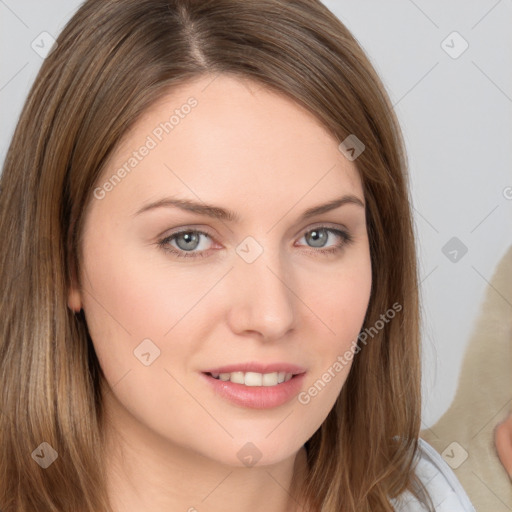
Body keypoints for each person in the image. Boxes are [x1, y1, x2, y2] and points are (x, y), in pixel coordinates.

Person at [0, 1, 477, 510]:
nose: (272, 316)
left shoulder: (433, 495)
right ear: (66, 259)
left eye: (319, 236)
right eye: (189, 239)